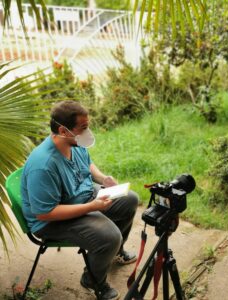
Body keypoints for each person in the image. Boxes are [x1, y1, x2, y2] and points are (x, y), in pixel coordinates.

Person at [21, 100, 139, 300]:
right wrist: (91, 207)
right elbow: (44, 212)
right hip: (51, 220)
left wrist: (102, 179)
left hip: (80, 196)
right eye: (83, 128)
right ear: (63, 130)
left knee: (129, 199)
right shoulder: (43, 165)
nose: (88, 132)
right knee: (109, 236)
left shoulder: (73, 142)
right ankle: (93, 280)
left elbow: (87, 162)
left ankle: (113, 252)